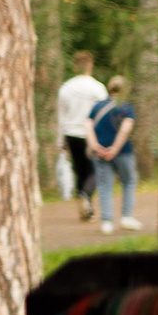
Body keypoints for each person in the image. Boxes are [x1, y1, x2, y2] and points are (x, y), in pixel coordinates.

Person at [56, 51, 108, 210]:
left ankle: (84, 204)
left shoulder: (66, 88)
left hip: (71, 134)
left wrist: (60, 141)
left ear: (75, 66)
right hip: (90, 135)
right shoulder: (98, 88)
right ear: (90, 65)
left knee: (80, 170)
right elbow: (103, 115)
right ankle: (85, 196)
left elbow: (61, 116)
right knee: (93, 171)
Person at [89, 75, 141, 234]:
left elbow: (87, 126)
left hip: (100, 152)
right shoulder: (126, 108)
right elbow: (126, 129)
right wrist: (115, 149)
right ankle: (126, 217)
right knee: (129, 181)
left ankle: (107, 222)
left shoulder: (97, 106)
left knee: (105, 186)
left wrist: (95, 146)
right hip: (123, 152)